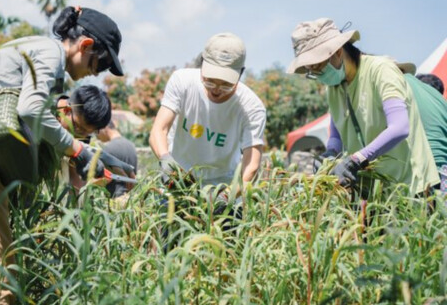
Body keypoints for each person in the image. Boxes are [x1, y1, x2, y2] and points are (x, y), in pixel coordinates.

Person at [0, 6, 124, 305]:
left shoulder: (31, 46)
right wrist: (75, 149)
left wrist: (85, 152)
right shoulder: (51, 54)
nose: (95, 74)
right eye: (98, 65)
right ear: (86, 45)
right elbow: (30, 109)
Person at [287, 18, 439, 195]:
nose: (317, 75)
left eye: (317, 66)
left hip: (412, 188)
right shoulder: (334, 89)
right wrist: (329, 154)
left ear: (337, 52)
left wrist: (357, 159)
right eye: (310, 71)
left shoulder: (381, 70)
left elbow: (400, 127)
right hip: (375, 194)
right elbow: (336, 136)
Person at [149, 32, 266, 194]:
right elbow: (158, 130)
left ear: (240, 73)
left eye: (226, 84)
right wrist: (165, 160)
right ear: (202, 64)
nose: (216, 89)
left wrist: (228, 196)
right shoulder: (182, 81)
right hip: (178, 177)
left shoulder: (251, 107)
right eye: (210, 80)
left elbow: (251, 164)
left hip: (221, 185)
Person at [55, 88, 135, 197]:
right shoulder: (41, 114)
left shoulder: (81, 131)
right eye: (79, 128)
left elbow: (75, 178)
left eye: (89, 132)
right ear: (67, 110)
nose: (80, 136)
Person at [96, 121, 138, 198]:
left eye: (97, 131)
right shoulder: (131, 145)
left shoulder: (108, 149)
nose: (96, 135)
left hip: (114, 199)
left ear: (105, 128)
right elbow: (134, 174)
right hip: (130, 197)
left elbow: (103, 178)